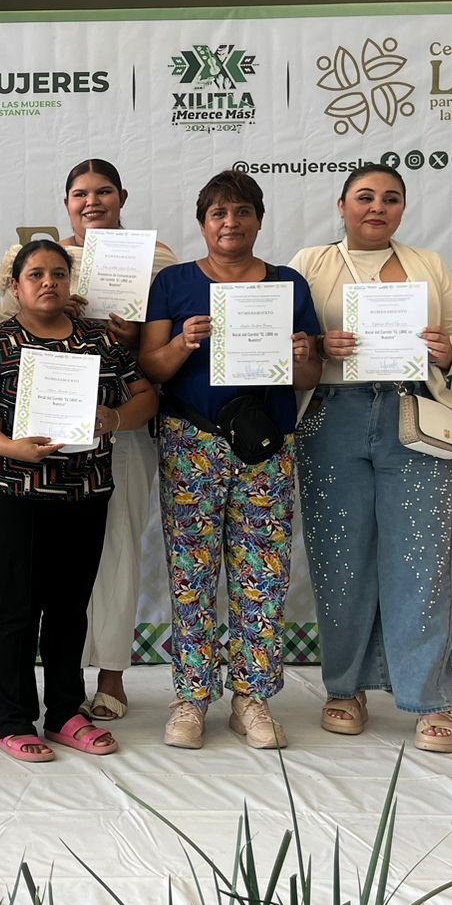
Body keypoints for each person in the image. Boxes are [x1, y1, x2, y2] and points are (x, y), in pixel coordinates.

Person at [289, 165, 452, 754]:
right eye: (364, 197)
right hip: (332, 416)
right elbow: (288, 343)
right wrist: (319, 345)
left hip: (413, 414)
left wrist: (447, 350)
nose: (377, 207)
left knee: (422, 559)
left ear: (402, 209)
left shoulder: (428, 263)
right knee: (340, 561)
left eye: (390, 199)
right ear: (341, 205)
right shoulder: (310, 263)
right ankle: (345, 689)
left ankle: (429, 699)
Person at [139, 170, 322, 751]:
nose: (230, 222)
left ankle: (252, 698)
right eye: (218, 213)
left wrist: (302, 353)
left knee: (262, 574)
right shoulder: (174, 283)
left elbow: (308, 377)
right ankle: (191, 697)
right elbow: (151, 367)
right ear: (202, 224)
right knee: (190, 574)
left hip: (265, 446)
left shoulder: (288, 284)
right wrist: (182, 342)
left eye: (242, 211)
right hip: (191, 442)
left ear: (259, 221)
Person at [0, 240, 158, 762]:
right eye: (36, 274)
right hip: (15, 492)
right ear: (15, 285)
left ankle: (66, 711)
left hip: (84, 492)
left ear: (71, 282)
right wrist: (11, 448)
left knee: (70, 608)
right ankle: (13, 719)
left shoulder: (99, 339)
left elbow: (145, 396)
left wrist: (115, 418)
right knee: (19, 608)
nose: (48, 282)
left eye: (58, 274)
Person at [0, 158, 177, 722]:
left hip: (121, 423)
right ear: (66, 201)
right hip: (47, 435)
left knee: (117, 549)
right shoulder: (34, 260)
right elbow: (8, 336)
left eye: (103, 192)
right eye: (80, 193)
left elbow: (161, 352)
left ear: (122, 196)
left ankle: (113, 674)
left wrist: (132, 336)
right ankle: (55, 687)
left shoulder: (157, 258)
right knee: (58, 569)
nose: (92, 202)